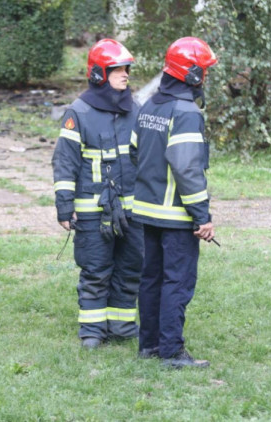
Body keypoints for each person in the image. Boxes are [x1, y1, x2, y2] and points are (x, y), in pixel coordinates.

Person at [129, 37, 217, 368]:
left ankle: (149, 345)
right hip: (176, 216)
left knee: (151, 278)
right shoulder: (187, 113)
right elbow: (187, 169)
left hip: (147, 210)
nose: (206, 77)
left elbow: (134, 151)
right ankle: (171, 352)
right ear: (192, 74)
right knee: (176, 282)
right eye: (204, 70)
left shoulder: (150, 105)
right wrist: (201, 216)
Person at [51, 38, 144, 349]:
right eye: (118, 69)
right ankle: (92, 331)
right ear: (98, 73)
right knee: (96, 269)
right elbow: (65, 162)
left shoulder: (134, 109)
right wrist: (65, 207)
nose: (125, 74)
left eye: (126, 69)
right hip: (92, 211)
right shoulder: (78, 112)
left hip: (131, 210)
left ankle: (121, 326)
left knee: (130, 268)